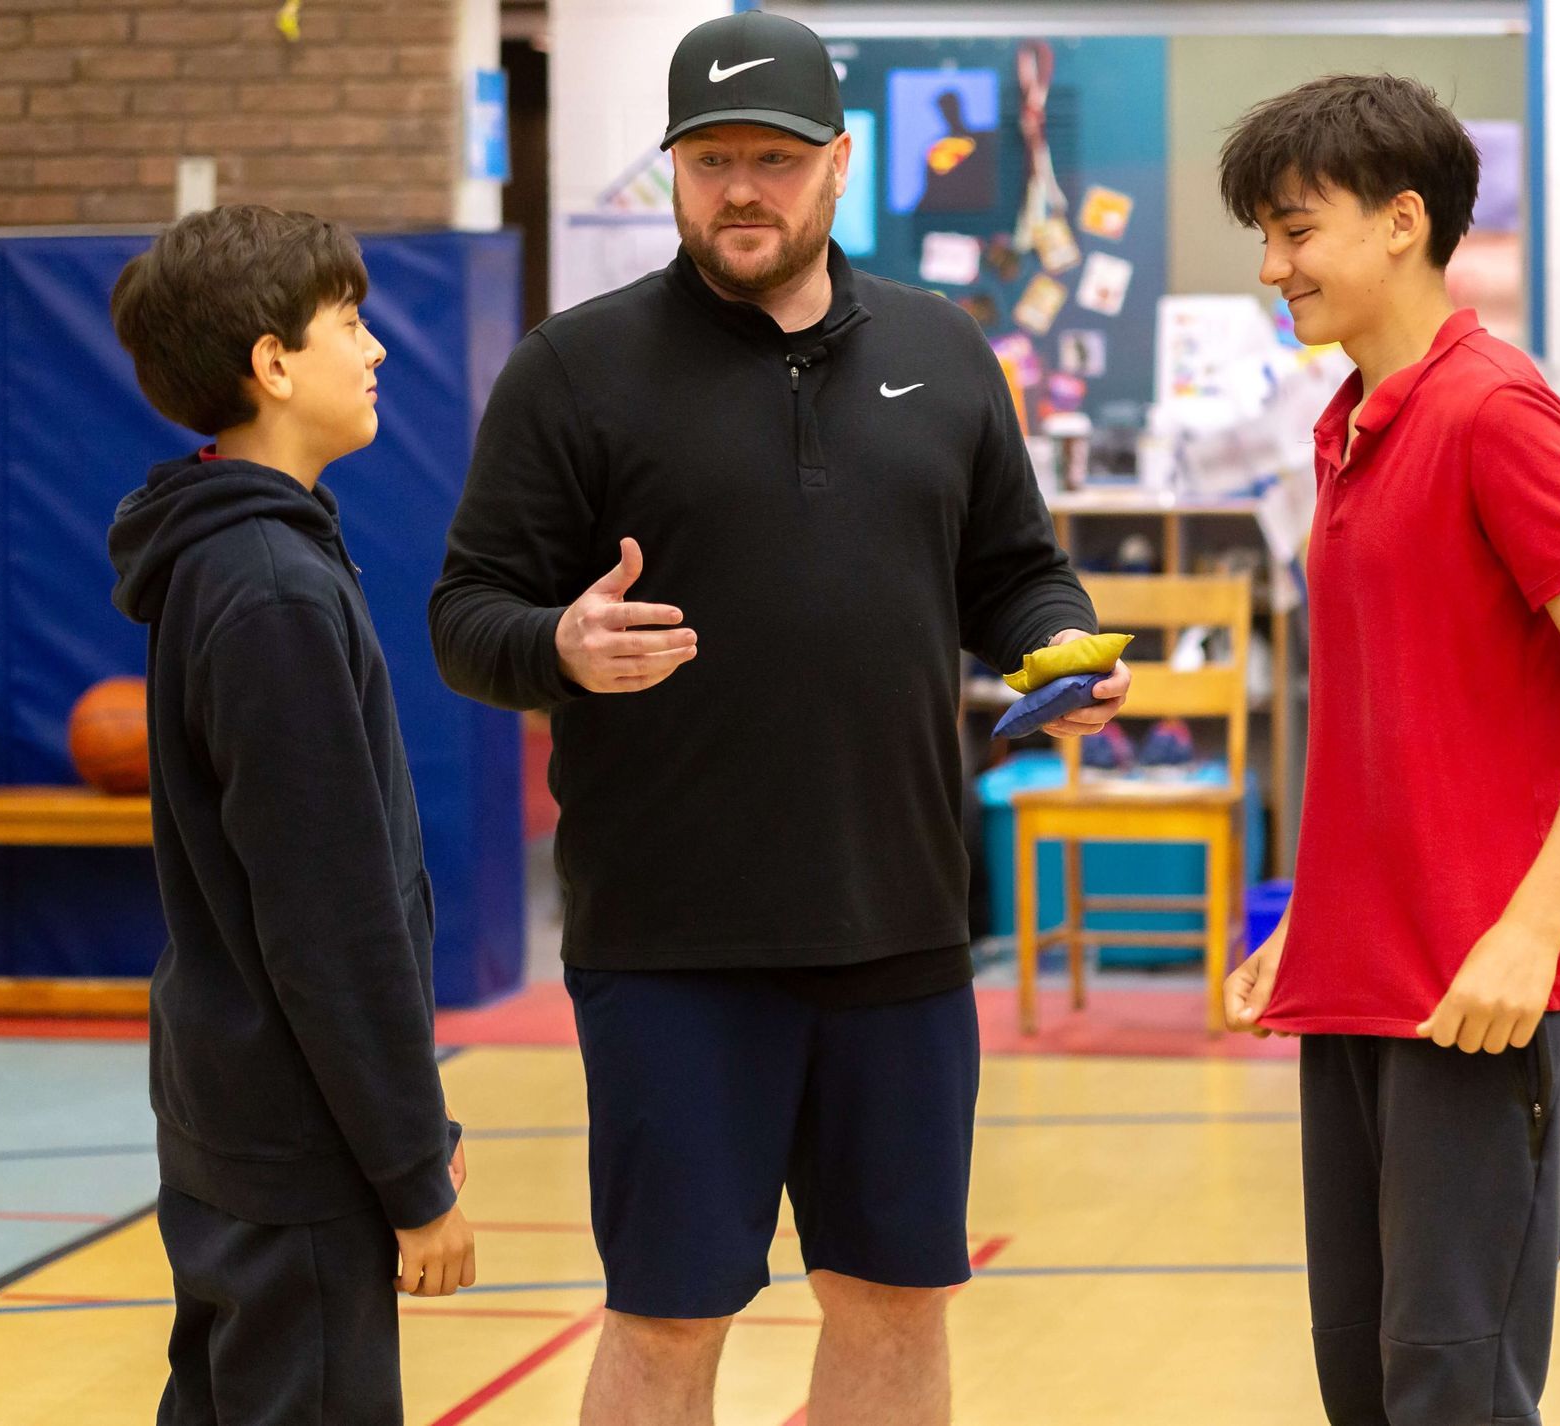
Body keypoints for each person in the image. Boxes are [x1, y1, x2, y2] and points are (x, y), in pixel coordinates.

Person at [428, 12, 1126, 1424]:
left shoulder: (943, 349)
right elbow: (466, 616)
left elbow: (1014, 569)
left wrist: (1052, 643)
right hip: (672, 945)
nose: (742, 188)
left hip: (906, 926)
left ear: (838, 163)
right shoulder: (575, 370)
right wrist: (557, 642)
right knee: (671, 1314)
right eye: (710, 158)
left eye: (776, 159)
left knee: (894, 1297)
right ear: (675, 167)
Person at [1215, 75, 1560, 1426]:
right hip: (1361, 981)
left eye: (1296, 231)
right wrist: (1316, 909)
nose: (1273, 266)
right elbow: (1404, 720)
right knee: (1365, 1385)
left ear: (1403, 223)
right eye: (1266, 234)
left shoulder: (1496, 410)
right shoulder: (1350, 426)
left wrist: (1534, 930)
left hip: (1489, 1003)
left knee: (1454, 1393)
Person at [108, 204, 474, 1426]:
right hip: (296, 1140)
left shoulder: (235, 557)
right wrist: (413, 1171)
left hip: (242, 1109)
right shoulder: (266, 589)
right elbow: (330, 919)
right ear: (273, 363)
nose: (375, 350)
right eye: (349, 323)